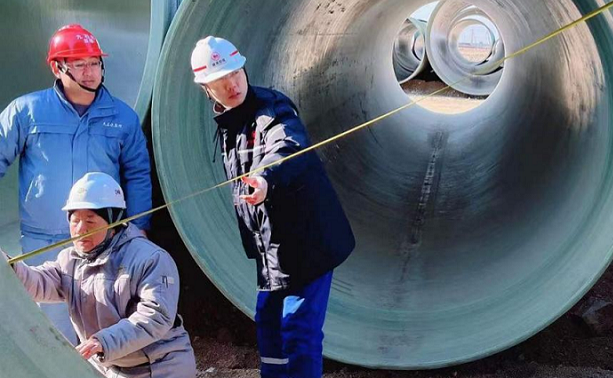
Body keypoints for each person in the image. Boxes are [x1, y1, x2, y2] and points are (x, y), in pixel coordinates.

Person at [190, 36, 355, 378]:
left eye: (235, 74)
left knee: (299, 330)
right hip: (273, 251)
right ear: (206, 89)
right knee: (269, 328)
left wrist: (265, 178)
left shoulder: (272, 108)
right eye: (220, 81)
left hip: (308, 244)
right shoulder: (228, 125)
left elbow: (287, 144)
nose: (232, 85)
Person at [0, 24, 152, 344]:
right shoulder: (27, 112)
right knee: (54, 332)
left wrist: (138, 227)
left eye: (95, 63)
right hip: (43, 241)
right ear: (57, 68)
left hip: (103, 241)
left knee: (103, 325)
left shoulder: (122, 117)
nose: (90, 72)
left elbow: (138, 174)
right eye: (80, 64)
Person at [5, 172, 195, 378]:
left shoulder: (150, 258)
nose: (80, 229)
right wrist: (8, 266)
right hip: (110, 370)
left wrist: (103, 342)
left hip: (162, 367)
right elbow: (37, 283)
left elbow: (156, 316)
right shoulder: (69, 261)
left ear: (113, 222)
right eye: (75, 220)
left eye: (90, 221)